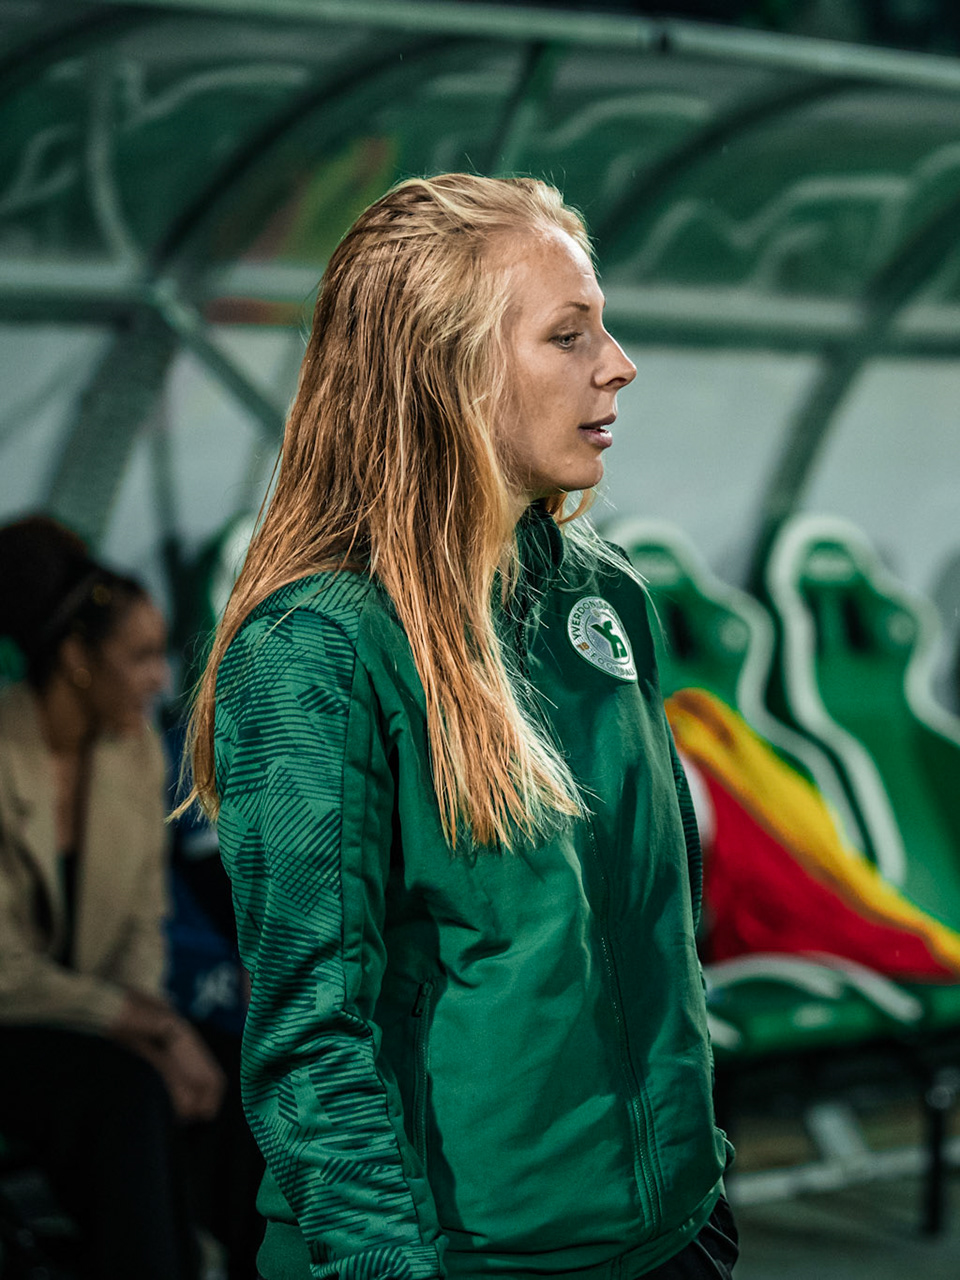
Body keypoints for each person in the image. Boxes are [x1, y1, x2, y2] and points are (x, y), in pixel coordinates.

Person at [180, 174, 735, 1279]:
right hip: (452, 1257)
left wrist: (694, 1188)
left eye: (604, 328)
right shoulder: (316, 649)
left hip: (670, 1234)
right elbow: (310, 1040)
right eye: (568, 335)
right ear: (449, 373)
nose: (617, 364)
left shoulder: (606, 600)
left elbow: (654, 944)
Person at [0, 516, 225, 1280]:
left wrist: (152, 1026)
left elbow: (142, 917)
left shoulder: (130, 750)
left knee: (237, 1074)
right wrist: (143, 1026)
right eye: (140, 658)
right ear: (74, 661)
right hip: (15, 1021)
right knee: (122, 1093)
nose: (162, 678)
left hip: (84, 1020)